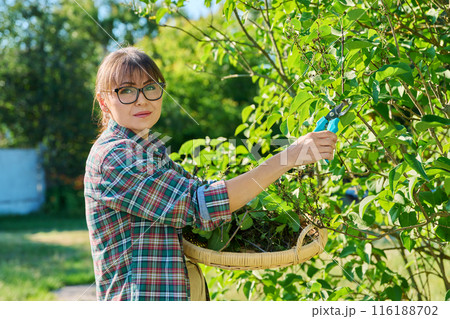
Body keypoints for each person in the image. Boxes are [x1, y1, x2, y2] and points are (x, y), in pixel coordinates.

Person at [84, 46, 337, 301]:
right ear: (104, 101)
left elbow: (202, 187)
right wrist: (288, 157)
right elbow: (199, 204)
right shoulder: (115, 157)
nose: (142, 99)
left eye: (150, 87)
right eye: (126, 90)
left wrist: (291, 157)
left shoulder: (148, 151)